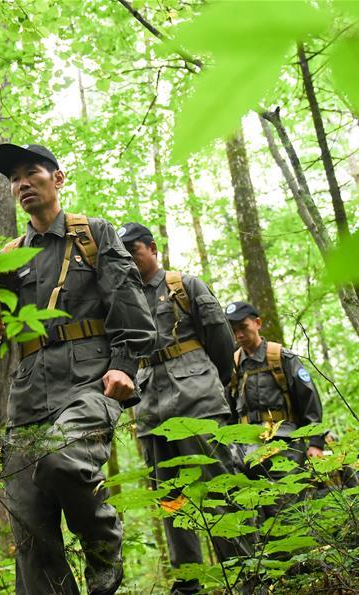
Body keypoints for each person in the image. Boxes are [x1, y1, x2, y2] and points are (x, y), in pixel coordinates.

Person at [0, 143, 156, 595]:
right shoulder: (9, 255)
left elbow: (130, 306)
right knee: (30, 530)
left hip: (91, 384)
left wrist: (125, 366)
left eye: (32, 173)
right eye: (15, 179)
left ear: (58, 179)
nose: (23, 184)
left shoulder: (93, 234)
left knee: (60, 458)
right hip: (28, 396)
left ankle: (103, 548)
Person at [119, 222, 250, 595]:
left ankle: (243, 573)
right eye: (123, 252)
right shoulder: (124, 297)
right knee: (171, 499)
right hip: (150, 412)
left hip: (198, 403)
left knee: (217, 487)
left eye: (135, 250)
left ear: (152, 249)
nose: (129, 258)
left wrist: (215, 390)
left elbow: (222, 344)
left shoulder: (184, 286)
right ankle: (189, 582)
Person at [225, 301, 325, 520]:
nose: (239, 334)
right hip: (244, 451)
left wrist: (316, 443)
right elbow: (228, 411)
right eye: (234, 330)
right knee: (251, 517)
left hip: (283, 445)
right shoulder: (232, 365)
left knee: (286, 512)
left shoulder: (282, 358)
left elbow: (310, 400)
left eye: (243, 327)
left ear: (257, 323)